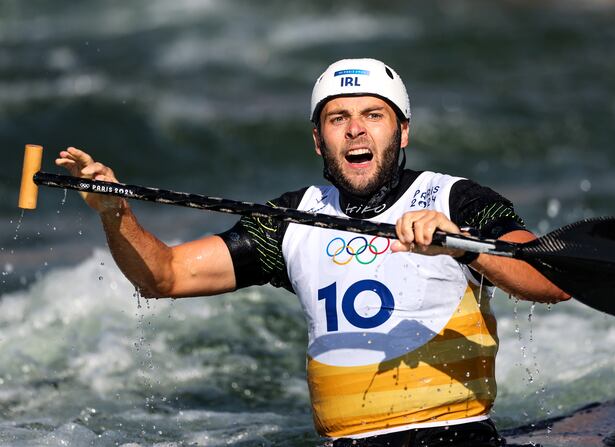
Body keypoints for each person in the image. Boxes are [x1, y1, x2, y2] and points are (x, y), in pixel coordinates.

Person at [56, 58, 569, 446]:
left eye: (374, 114)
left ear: (402, 130)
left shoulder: (455, 199)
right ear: (319, 141)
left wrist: (461, 246)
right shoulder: (289, 221)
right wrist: (113, 212)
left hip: (457, 436)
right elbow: (163, 277)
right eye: (337, 118)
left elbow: (549, 280)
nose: (355, 130)